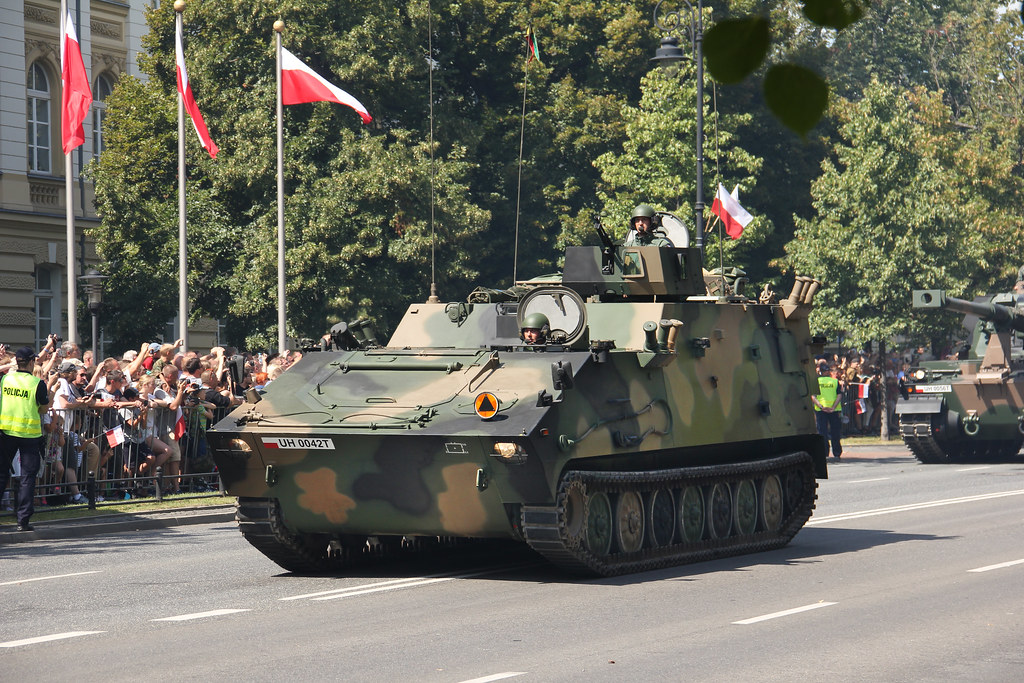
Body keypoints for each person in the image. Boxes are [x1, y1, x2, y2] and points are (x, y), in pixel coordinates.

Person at [0, 346, 51, 531]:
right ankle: (22, 521)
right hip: (30, 435)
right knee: (27, 478)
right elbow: (44, 409)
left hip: (6, 432)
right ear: (31, 362)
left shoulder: (5, 379)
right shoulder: (37, 383)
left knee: (1, 475)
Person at [812, 363, 843, 459]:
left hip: (821, 410)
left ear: (820, 371)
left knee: (822, 432)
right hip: (834, 410)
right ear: (828, 371)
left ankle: (824, 452)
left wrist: (821, 406)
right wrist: (833, 407)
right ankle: (837, 453)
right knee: (835, 432)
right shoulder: (835, 381)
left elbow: (813, 396)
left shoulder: (816, 382)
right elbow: (839, 395)